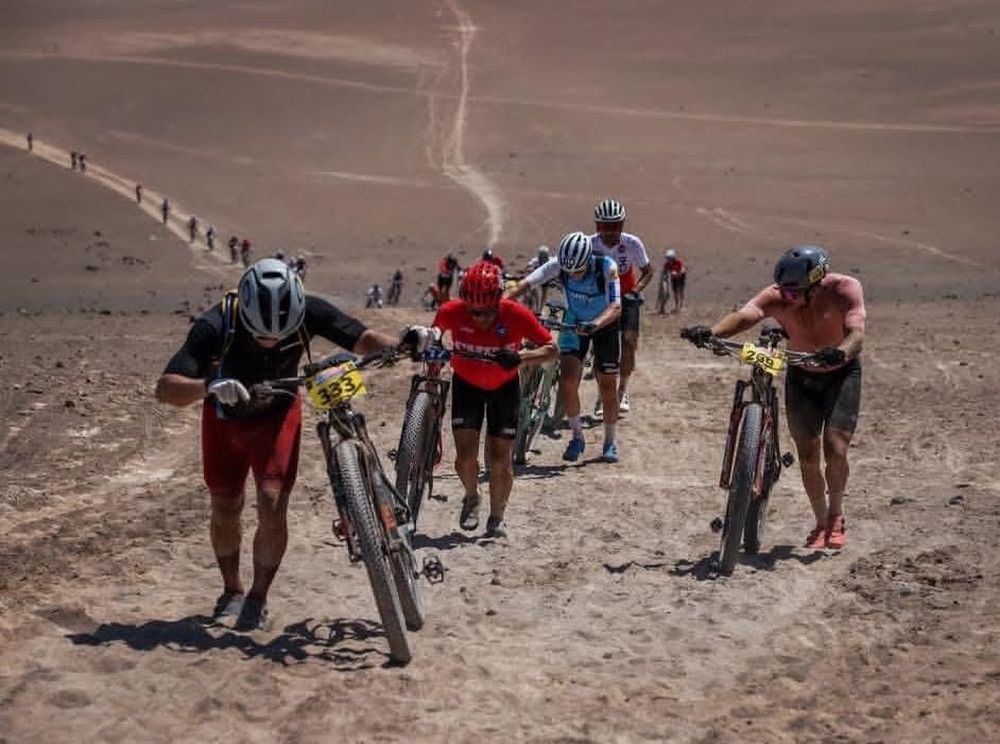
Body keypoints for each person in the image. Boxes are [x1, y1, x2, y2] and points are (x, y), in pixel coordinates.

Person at [155, 258, 398, 630]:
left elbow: (360, 338)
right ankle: (231, 590)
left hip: (277, 417)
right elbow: (166, 388)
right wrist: (208, 387)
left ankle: (257, 596)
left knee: (272, 504)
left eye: (280, 336)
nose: (271, 341)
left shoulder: (308, 311)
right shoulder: (216, 323)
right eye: (261, 334)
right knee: (225, 505)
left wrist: (404, 343)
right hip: (224, 421)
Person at [681, 245, 865, 550]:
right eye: (784, 293)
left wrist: (841, 351)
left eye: (795, 294)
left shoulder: (845, 289)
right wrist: (711, 332)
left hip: (840, 374)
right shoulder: (780, 294)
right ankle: (820, 522)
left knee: (836, 448)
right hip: (801, 374)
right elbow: (746, 315)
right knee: (807, 455)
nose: (787, 298)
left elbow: (856, 334)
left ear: (816, 284)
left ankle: (836, 516)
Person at [403, 261, 557, 537]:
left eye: (488, 312)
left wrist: (522, 357)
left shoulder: (516, 314)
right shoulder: (451, 311)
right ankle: (472, 496)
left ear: (499, 300)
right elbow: (434, 337)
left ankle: (497, 516)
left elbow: (552, 349)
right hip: (467, 386)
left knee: (500, 461)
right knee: (465, 458)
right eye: (474, 312)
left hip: (505, 388)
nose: (481, 318)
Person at [505, 231, 623, 462]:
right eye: (568, 272)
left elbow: (617, 306)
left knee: (608, 385)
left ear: (588, 260)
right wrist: (499, 301)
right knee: (568, 381)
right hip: (573, 320)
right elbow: (526, 284)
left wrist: (595, 324)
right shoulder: (560, 264)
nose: (573, 276)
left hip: (605, 323)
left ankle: (610, 442)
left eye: (578, 271)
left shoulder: (607, 267)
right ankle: (577, 437)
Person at [590, 198, 651, 416]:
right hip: (602, 300)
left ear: (622, 225)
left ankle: (623, 390)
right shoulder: (590, 245)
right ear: (597, 226)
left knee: (629, 342)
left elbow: (648, 271)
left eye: (616, 226)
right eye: (605, 227)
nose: (610, 232)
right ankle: (602, 396)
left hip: (627, 297)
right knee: (602, 350)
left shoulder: (632, 243)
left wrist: (636, 289)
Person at [663, 248, 687, 313]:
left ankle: (681, 305)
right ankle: (677, 306)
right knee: (675, 292)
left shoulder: (678, 262)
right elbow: (665, 272)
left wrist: (678, 273)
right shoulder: (667, 264)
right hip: (673, 279)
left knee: (680, 291)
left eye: (669, 258)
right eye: (667, 258)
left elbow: (683, 269)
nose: (668, 259)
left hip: (680, 277)